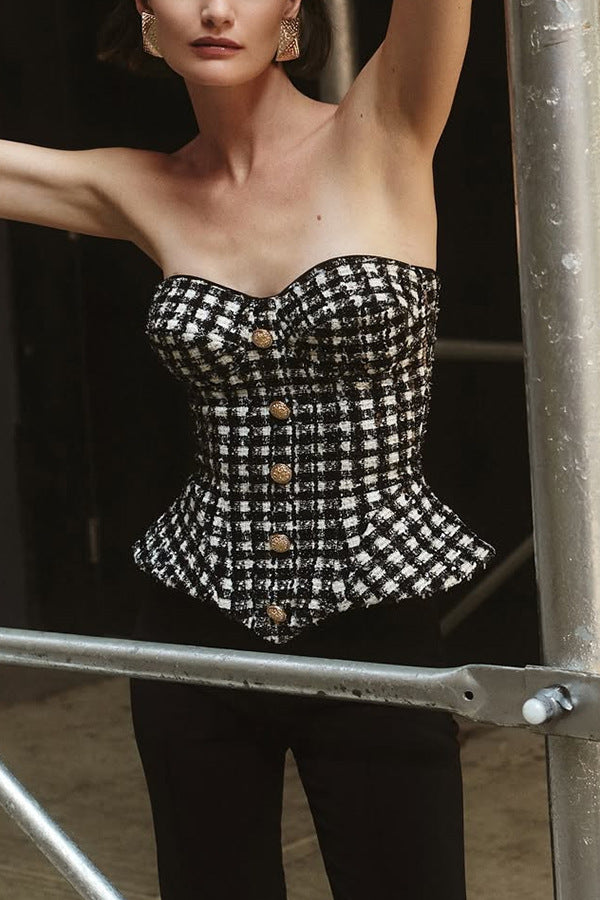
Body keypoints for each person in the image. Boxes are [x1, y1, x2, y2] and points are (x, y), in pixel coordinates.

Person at [1, 1, 497, 897]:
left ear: (293, 8)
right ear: (146, 15)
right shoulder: (136, 186)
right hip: (193, 624)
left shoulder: (382, 126)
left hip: (377, 620)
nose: (216, 9)